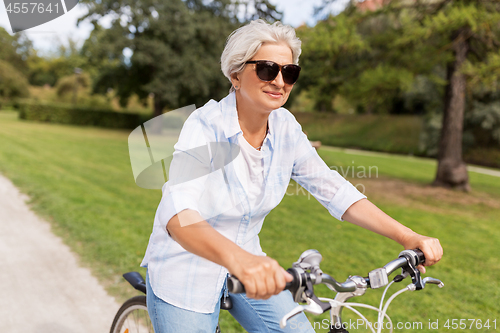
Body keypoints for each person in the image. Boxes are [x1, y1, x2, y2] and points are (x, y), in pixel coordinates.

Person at [140, 20, 443, 332]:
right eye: (268, 69)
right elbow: (178, 217)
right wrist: (241, 261)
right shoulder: (204, 127)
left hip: (251, 265)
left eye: (290, 72)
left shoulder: (286, 127)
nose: (280, 81)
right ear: (235, 76)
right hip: (186, 271)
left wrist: (407, 236)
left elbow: (333, 189)